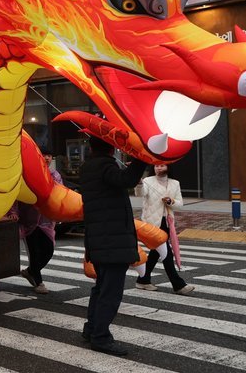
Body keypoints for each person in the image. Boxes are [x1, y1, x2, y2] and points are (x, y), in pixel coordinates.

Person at [80, 136, 147, 357]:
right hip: (112, 242)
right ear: (112, 149)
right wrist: (140, 158)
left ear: (91, 148)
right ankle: (100, 337)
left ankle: (91, 329)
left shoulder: (89, 168)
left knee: (101, 288)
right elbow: (127, 180)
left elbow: (118, 181)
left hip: (99, 241)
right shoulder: (104, 166)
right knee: (110, 292)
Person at [136, 164, 194, 295]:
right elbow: (140, 193)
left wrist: (170, 201)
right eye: (156, 166)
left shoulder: (175, 183)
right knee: (166, 253)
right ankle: (178, 284)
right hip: (151, 223)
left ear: (168, 167)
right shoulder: (147, 181)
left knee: (155, 253)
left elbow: (180, 204)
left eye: (162, 165)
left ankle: (143, 280)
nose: (158, 168)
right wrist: (139, 182)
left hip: (167, 223)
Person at [18, 153, 64, 295]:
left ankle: (30, 271)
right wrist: (13, 212)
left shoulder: (55, 175)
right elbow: (17, 193)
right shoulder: (26, 173)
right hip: (29, 220)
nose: (47, 158)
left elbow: (60, 195)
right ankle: (39, 282)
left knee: (48, 251)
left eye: (49, 155)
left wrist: (59, 212)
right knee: (34, 252)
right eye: (44, 155)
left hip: (47, 221)